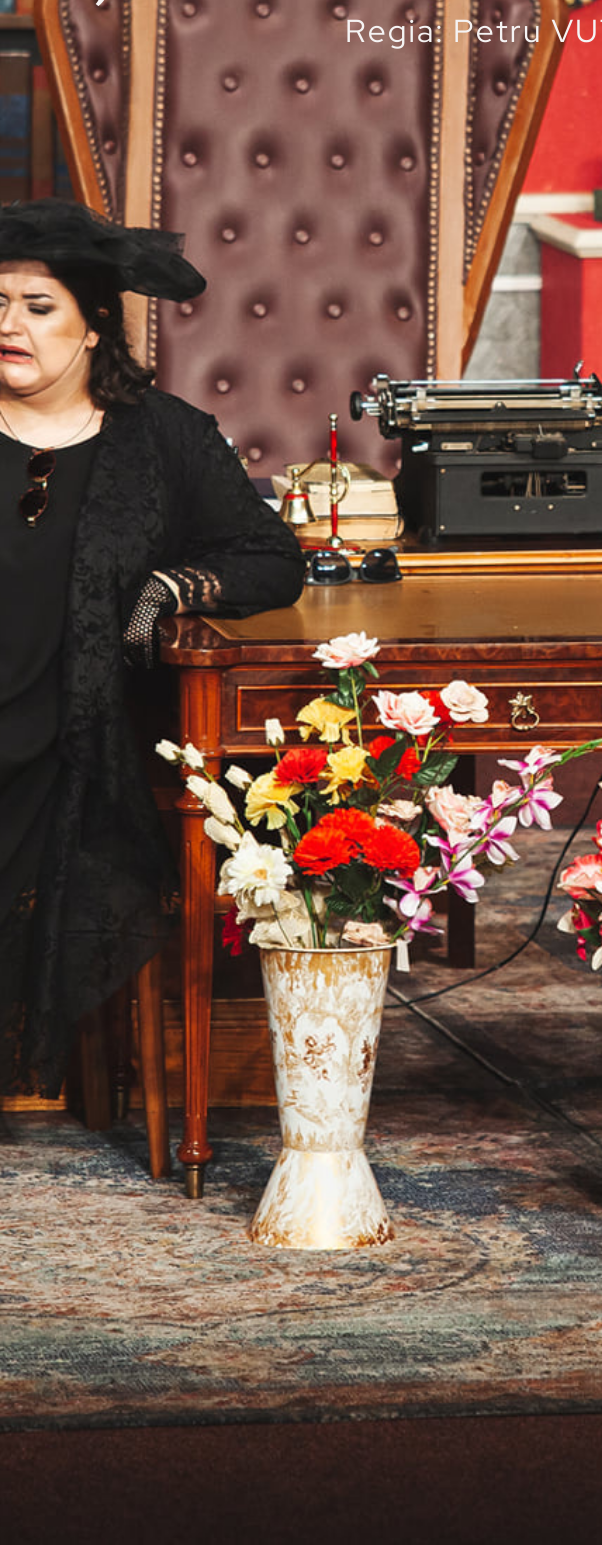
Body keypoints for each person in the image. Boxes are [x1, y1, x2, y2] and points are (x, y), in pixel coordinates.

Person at [0, 198, 306, 1100]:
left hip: (80, 740)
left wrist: (170, 588)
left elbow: (270, 559)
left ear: (96, 324)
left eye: (37, 307)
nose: (9, 324)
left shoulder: (162, 436)